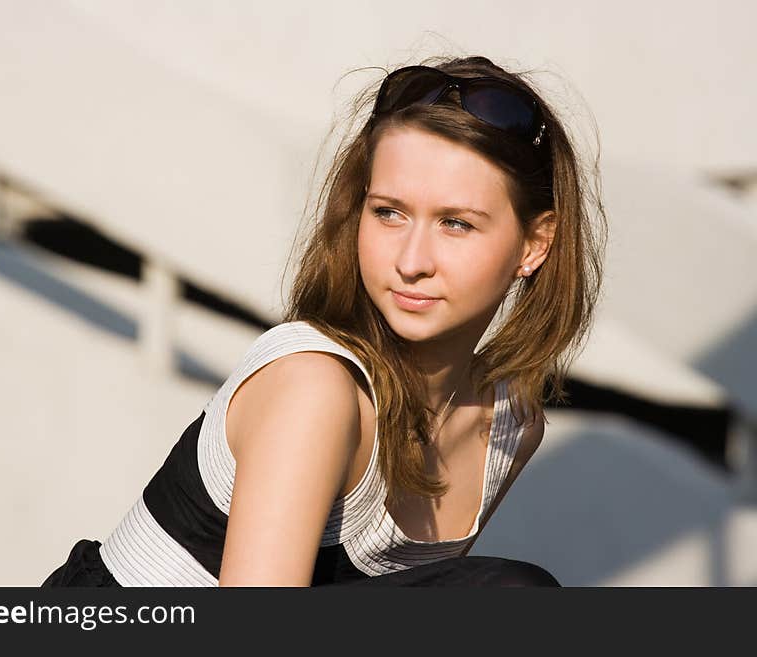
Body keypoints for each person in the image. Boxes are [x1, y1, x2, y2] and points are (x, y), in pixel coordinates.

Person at [43, 54, 606, 587]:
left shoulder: (510, 426)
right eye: (388, 213)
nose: (411, 262)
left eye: (455, 224)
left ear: (535, 244)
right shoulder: (316, 387)